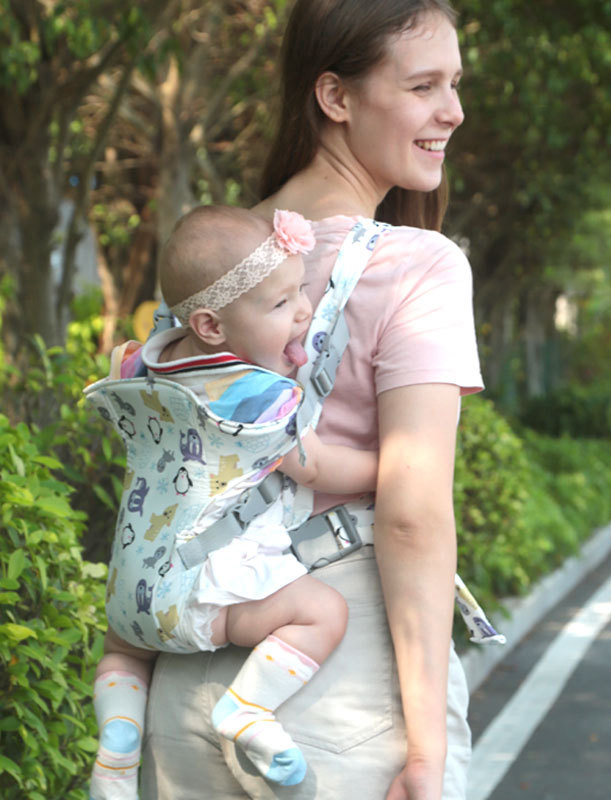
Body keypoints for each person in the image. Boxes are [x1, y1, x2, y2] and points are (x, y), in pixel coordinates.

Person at [141, 1, 484, 798]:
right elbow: (411, 513)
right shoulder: (421, 266)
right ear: (335, 97)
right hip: (338, 685)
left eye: (456, 83)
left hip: (187, 675)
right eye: (425, 85)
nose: (454, 111)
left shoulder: (207, 264)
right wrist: (426, 748)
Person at [90, 205, 380, 799]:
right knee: (323, 613)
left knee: (123, 651)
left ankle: (117, 743)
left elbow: (131, 354)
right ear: (213, 326)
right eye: (280, 306)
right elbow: (316, 464)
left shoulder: (142, 360)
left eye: (301, 291)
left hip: (132, 585)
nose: (302, 311)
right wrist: (396, 468)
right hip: (201, 590)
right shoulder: (252, 396)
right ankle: (248, 708)